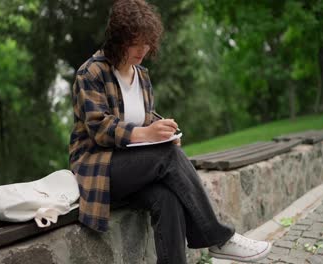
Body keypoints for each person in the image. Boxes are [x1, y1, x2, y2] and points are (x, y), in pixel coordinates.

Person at [68, 0, 272, 263]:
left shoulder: (141, 75)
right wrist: (148, 135)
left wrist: (163, 129)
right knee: (168, 156)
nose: (143, 49)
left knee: (167, 199)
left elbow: (144, 117)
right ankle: (218, 238)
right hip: (98, 168)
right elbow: (101, 128)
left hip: (132, 168)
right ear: (117, 39)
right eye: (135, 43)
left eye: (147, 42)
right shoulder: (91, 72)